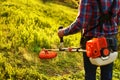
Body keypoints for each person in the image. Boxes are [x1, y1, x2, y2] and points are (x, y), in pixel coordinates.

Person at [58, 0, 120, 80]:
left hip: (92, 42)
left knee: (90, 75)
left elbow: (81, 23)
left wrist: (63, 32)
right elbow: (118, 19)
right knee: (107, 76)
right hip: (111, 41)